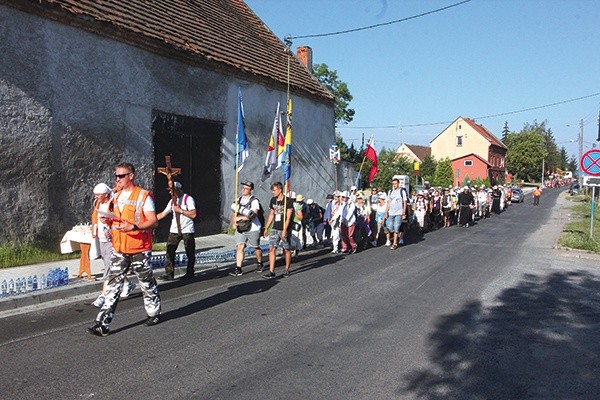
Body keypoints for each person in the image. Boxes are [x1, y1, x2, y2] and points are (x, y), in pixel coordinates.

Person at [88, 162, 161, 337]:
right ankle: (102, 323)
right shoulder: (115, 196)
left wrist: (134, 227)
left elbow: (154, 221)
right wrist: (108, 221)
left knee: (146, 283)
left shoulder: (143, 196)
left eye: (121, 176)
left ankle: (153, 313)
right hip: (119, 248)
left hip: (139, 247)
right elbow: (116, 218)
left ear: (131, 176)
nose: (117, 179)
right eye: (116, 176)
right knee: (113, 285)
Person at [91, 183, 135, 308]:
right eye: (95, 195)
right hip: (101, 238)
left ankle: (103, 295)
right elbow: (95, 218)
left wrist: (111, 226)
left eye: (98, 195)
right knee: (109, 265)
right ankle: (127, 283)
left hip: (112, 239)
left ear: (105, 194)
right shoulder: (98, 203)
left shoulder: (113, 202)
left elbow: (119, 219)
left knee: (109, 267)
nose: (96, 197)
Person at [156, 181, 197, 281]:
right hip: (174, 230)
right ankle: (169, 273)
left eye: (172, 191)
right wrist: (151, 220)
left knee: (190, 251)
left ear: (178, 190)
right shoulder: (172, 201)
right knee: (170, 251)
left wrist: (181, 211)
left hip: (187, 229)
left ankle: (190, 272)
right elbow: (163, 213)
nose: (170, 193)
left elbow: (193, 214)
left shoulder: (188, 199)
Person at [229, 181, 264, 276]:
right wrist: (234, 222)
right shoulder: (238, 200)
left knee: (256, 247)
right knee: (240, 247)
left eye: (246, 188)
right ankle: (238, 268)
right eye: (243, 188)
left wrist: (240, 218)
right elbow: (234, 213)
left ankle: (260, 262)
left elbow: (253, 215)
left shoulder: (254, 201)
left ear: (251, 190)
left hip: (253, 228)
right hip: (241, 228)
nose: (243, 190)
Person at [263, 182, 294, 279]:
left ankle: (287, 269)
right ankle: (272, 271)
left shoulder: (288, 201)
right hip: (275, 227)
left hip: (284, 228)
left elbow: (289, 217)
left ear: (280, 190)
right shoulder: (273, 200)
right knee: (272, 248)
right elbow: (272, 214)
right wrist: (267, 227)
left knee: (286, 249)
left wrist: (285, 229)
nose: (273, 192)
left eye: (274, 190)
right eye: (272, 190)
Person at [386, 178, 408, 250]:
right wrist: (386, 211)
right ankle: (396, 234)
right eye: (393, 184)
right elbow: (388, 202)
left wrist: (403, 213)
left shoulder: (402, 191)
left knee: (396, 227)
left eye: (395, 184)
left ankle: (395, 243)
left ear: (398, 184)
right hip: (391, 212)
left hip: (399, 212)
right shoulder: (390, 191)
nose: (394, 185)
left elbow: (404, 202)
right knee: (389, 226)